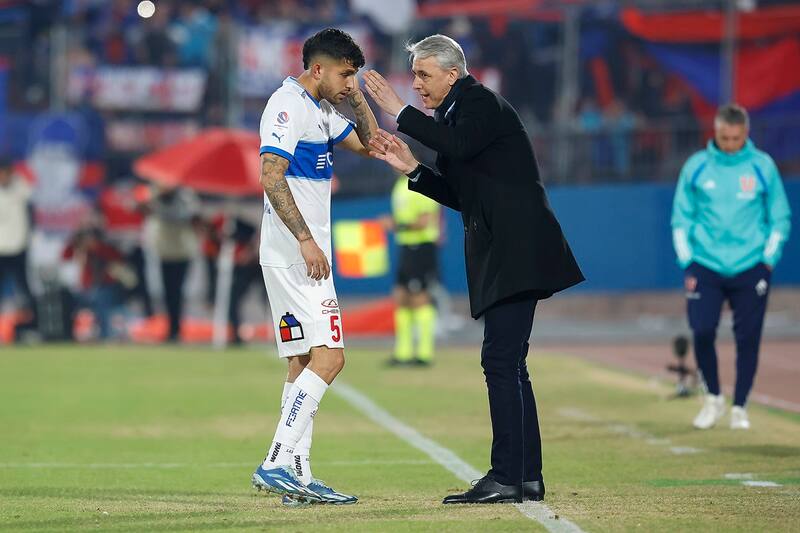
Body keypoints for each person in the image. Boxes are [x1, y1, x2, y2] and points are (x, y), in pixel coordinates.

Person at [363, 34, 584, 504]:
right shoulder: (456, 115)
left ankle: (508, 476)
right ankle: (525, 476)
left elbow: (459, 146)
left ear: (452, 73)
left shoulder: (479, 103)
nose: (417, 83)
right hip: (506, 250)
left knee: (500, 361)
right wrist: (413, 170)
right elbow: (463, 195)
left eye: (423, 75)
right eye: (415, 75)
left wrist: (399, 114)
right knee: (509, 363)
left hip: (516, 250)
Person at [251, 28, 378, 506]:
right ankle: (277, 461)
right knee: (331, 358)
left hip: (296, 255)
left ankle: (299, 478)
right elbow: (270, 174)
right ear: (318, 69)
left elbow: (371, 145)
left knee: (303, 360)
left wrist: (358, 96)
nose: (350, 83)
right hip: (297, 255)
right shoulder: (288, 106)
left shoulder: (323, 111)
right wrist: (306, 240)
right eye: (345, 74)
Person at [671, 104, 791, 430]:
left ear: (746, 134)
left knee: (748, 336)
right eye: (724, 137)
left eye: (736, 138)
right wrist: (688, 261)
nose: (729, 144)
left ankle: (740, 406)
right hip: (705, 265)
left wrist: (768, 260)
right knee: (703, 330)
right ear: (716, 131)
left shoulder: (762, 167)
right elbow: (681, 217)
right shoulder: (696, 167)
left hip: (751, 265)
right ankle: (713, 398)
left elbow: (779, 216)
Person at [382, 174, 441, 366]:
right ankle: (403, 352)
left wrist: (396, 225)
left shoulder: (421, 184)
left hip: (421, 246)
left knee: (419, 297)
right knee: (401, 296)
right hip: (406, 246)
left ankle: (424, 353)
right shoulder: (399, 184)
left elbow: (425, 221)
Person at [141, 185, 200, 342]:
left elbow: (186, 215)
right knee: (167, 293)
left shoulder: (185, 197)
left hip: (182, 251)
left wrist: (158, 205)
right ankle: (171, 328)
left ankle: (176, 328)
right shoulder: (155, 197)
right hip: (164, 251)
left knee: (177, 292)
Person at [0, 158, 37, 337]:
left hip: (18, 246)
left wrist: (16, 174)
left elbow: (32, 189)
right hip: (0, 247)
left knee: (23, 289)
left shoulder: (20, 187)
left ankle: (31, 328)